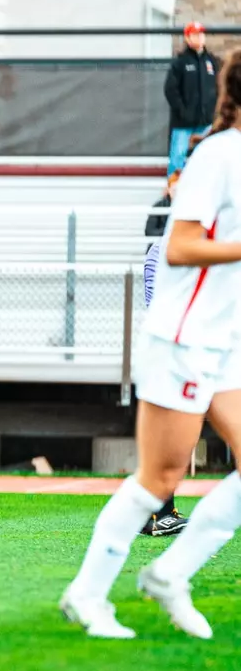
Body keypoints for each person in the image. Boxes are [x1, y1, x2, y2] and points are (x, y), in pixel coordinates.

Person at [59, 52, 241, 641]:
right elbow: (180, 248)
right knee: (162, 478)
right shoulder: (217, 155)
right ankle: (86, 596)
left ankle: (170, 574)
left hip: (227, 343)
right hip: (184, 340)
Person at [138, 170, 190, 538]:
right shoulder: (167, 249)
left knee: (172, 441)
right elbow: (157, 302)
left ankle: (158, 513)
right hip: (174, 350)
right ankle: (156, 514)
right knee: (170, 442)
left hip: (180, 348)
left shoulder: (170, 247)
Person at [165, 23, 218, 176]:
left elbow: (218, 87)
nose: (199, 37)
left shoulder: (211, 62)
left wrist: (213, 112)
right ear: (187, 38)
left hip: (206, 123)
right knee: (177, 159)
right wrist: (183, 112)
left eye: (201, 34)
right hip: (183, 124)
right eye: (195, 34)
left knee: (208, 158)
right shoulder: (180, 63)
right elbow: (171, 90)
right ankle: (172, 194)